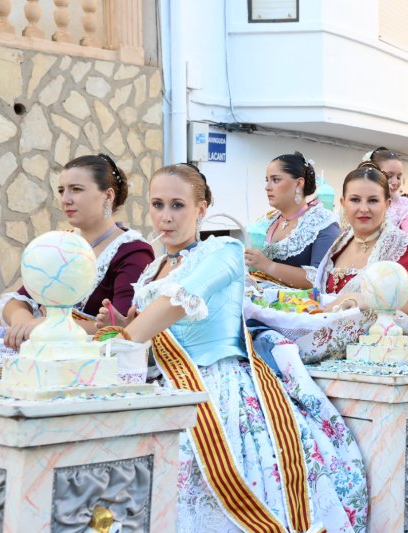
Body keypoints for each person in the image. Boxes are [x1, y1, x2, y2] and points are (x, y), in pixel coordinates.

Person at [95, 163, 367, 532]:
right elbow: (147, 331)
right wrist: (118, 326)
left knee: (200, 480)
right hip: (162, 385)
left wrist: (122, 339)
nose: (166, 217)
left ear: (202, 208)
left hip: (215, 390)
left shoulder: (222, 250)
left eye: (178, 205)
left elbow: (179, 301)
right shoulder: (153, 268)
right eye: (158, 205)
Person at [0, 154, 153, 349]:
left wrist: (49, 325)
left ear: (108, 195)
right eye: (62, 191)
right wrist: (23, 321)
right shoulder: (61, 243)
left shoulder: (133, 251)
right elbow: (19, 299)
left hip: (99, 361)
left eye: (76, 190)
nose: (65, 199)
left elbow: (123, 326)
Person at [313, 163, 408, 321]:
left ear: (387, 205)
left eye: (373, 200)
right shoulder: (340, 243)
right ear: (343, 202)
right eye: (355, 200)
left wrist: (365, 300)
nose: (364, 208)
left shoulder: (398, 246)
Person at [244, 152, 340, 288]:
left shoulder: (322, 222)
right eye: (267, 180)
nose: (267, 187)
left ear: (298, 183)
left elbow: (320, 279)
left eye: (276, 180)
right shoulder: (268, 220)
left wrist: (269, 266)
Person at [366, 147, 408, 239]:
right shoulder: (357, 201)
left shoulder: (404, 205)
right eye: (388, 176)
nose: (395, 182)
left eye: (399, 177)